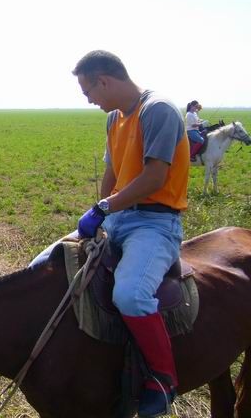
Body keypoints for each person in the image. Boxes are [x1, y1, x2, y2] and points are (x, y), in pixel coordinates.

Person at [73, 50, 189, 417]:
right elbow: (113, 172)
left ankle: (162, 378)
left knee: (131, 295)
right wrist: (99, 210)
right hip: (118, 217)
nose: (88, 99)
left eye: (88, 90)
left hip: (156, 223)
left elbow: (154, 177)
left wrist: (105, 208)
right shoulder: (113, 119)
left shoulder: (158, 111)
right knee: (45, 266)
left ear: (103, 80)